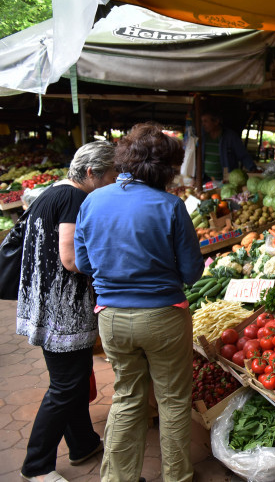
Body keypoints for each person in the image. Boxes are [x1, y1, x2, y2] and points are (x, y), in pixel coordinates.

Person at [74, 123, 204, 482]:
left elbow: (84, 263)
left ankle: (117, 479)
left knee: (128, 397)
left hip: (112, 319)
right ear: (166, 169)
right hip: (163, 317)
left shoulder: (93, 201)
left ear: (125, 158)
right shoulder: (170, 206)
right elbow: (193, 272)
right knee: (173, 401)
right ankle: (177, 477)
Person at [16, 141, 118, 482]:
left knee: (72, 381)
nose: (113, 183)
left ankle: (83, 443)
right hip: (63, 312)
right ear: (91, 173)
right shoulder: (75, 199)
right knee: (65, 386)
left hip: (44, 304)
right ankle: (37, 465)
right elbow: (71, 260)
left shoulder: (51, 193)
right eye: (111, 176)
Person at [200, 111, 257, 181]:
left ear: (216, 122)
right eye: (202, 121)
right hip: (206, 180)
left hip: (225, 180)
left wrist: (252, 168)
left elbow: (243, 155)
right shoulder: (202, 136)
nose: (203, 124)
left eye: (205, 121)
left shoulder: (230, 137)